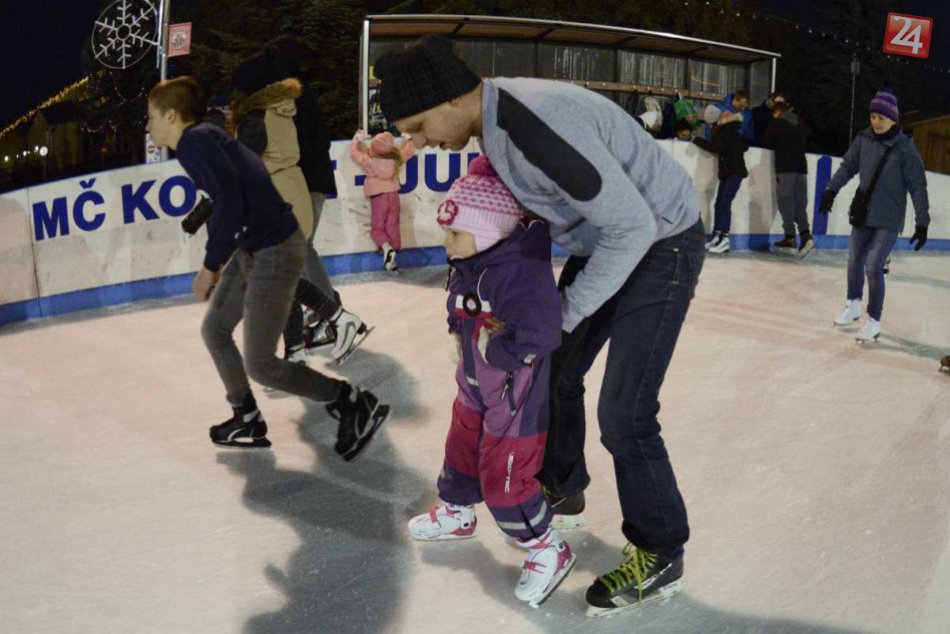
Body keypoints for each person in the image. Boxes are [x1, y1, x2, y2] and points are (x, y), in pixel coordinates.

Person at [374, 34, 705, 618]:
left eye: (420, 126)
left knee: (625, 415)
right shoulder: (494, 122)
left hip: (661, 242)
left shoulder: (530, 126)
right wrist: (398, 153)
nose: (421, 142)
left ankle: (660, 551)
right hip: (614, 238)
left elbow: (631, 226)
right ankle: (563, 480)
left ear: (453, 97)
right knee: (551, 369)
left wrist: (566, 313)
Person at [146, 76, 389, 458]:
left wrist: (210, 266)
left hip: (273, 251)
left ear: (172, 115)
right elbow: (240, 189)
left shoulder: (195, 142)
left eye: (152, 117)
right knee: (215, 329)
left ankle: (351, 401)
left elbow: (230, 198)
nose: (148, 126)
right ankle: (246, 417)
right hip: (257, 249)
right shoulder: (208, 138)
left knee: (260, 363)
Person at [408, 155, 574, 608]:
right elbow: (460, 304)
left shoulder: (519, 271)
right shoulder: (474, 260)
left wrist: (494, 352)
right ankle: (460, 513)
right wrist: (457, 338)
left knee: (506, 479)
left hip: (513, 397)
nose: (446, 244)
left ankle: (546, 547)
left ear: (490, 229)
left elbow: (542, 333)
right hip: (475, 385)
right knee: (460, 448)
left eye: (454, 234)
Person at [231, 45, 371, 365]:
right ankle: (318, 325)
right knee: (297, 256)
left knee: (297, 254)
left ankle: (332, 315)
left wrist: (286, 171)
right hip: (301, 182)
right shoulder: (287, 102)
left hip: (305, 184)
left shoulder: (292, 102)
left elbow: (310, 142)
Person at [819, 89, 930, 343]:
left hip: (889, 220)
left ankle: (874, 320)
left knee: (873, 266)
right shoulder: (863, 139)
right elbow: (848, 166)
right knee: (853, 261)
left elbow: (918, 186)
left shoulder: (905, 149)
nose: (876, 122)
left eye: (881, 117)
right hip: (863, 213)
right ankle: (853, 304)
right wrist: (831, 190)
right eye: (872, 116)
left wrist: (922, 222)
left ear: (893, 118)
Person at [349, 129, 416, 271]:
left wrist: (357, 139)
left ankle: (386, 248)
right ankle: (392, 257)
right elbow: (409, 152)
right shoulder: (396, 158)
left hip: (379, 197)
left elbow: (355, 154)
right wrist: (409, 139)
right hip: (393, 195)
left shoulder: (369, 160)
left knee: (377, 228)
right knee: (393, 225)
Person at [693, 110, 749, 254]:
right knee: (719, 203)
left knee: (724, 203)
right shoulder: (732, 130)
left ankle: (724, 238)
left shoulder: (727, 129)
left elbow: (716, 147)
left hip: (733, 172)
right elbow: (743, 146)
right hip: (729, 172)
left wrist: (696, 139)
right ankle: (717, 236)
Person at [763, 101, 814, 256]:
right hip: (801, 168)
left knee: (785, 202)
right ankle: (805, 236)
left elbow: (766, 141)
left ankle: (790, 237)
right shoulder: (800, 123)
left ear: (778, 113)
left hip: (786, 168)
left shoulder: (777, 123)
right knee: (800, 203)